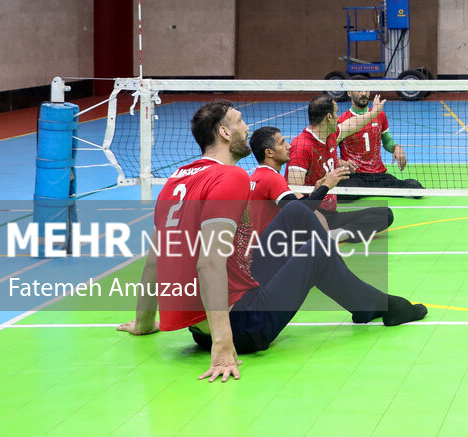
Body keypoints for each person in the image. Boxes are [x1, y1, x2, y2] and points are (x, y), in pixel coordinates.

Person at [116, 100, 426, 382]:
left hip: (205, 327)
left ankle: (359, 299)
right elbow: (209, 262)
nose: (246, 127)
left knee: (295, 212)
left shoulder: (176, 180)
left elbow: (154, 260)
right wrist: (223, 347)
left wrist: (144, 322)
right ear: (224, 132)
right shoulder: (231, 177)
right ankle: (376, 305)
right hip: (243, 327)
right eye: (240, 121)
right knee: (316, 251)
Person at [287, 93, 394, 242]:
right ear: (329, 117)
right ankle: (324, 234)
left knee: (385, 214)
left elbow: (353, 123)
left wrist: (374, 112)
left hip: (331, 216)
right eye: (336, 113)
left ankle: (336, 235)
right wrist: (316, 215)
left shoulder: (331, 136)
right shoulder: (301, 146)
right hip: (311, 215)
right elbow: (294, 194)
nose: (338, 118)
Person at [337, 88, 424, 195]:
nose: (364, 93)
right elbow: (330, 151)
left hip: (377, 174)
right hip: (354, 175)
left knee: (414, 189)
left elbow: (387, 141)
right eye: (359, 91)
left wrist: (396, 147)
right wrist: (340, 162)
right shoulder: (341, 121)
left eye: (366, 90)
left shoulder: (380, 115)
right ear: (349, 93)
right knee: (347, 194)